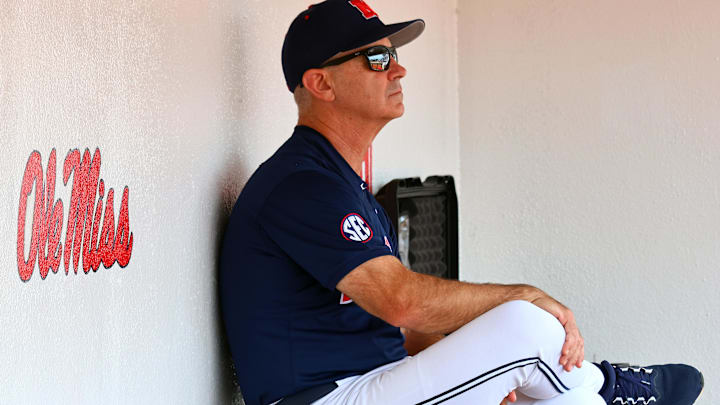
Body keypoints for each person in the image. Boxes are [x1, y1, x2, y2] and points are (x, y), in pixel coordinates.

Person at [219, 1, 704, 404]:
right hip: (325, 397)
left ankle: (604, 390)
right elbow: (402, 302)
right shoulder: (302, 183)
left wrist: (485, 370)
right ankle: (610, 389)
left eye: (393, 55)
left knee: (523, 357)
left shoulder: (339, 181)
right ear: (321, 84)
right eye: (377, 59)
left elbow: (396, 326)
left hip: (370, 383)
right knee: (523, 324)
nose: (399, 68)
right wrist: (523, 295)